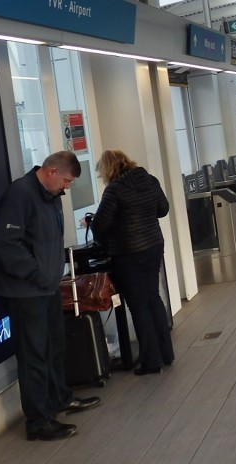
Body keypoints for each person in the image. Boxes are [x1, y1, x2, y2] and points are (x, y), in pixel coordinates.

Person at [0, 151, 101, 442]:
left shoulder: (51, 195)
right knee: (34, 356)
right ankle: (39, 422)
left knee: (54, 347)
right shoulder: (20, 194)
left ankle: (60, 399)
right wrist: (37, 274)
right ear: (51, 171)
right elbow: (6, 244)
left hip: (47, 287)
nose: (68, 187)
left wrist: (51, 276)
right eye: (66, 180)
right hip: (26, 291)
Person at [85, 150, 174, 375]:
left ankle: (151, 361)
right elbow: (163, 209)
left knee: (138, 304)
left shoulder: (114, 190)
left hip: (128, 252)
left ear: (108, 169)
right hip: (154, 245)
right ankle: (166, 353)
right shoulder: (150, 180)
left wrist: (94, 226)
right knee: (153, 297)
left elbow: (99, 225)